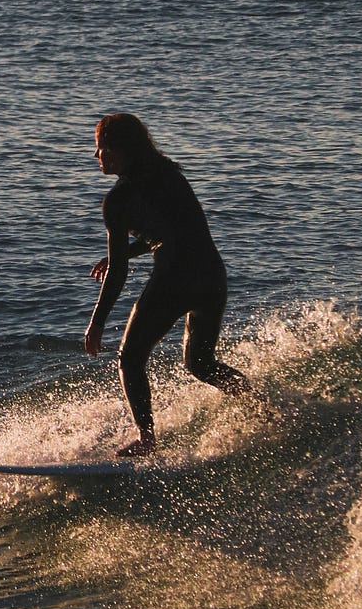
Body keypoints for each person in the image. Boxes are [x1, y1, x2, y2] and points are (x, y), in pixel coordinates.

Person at [84, 112, 248, 457]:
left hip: (175, 279)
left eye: (101, 149)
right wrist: (128, 251)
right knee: (200, 364)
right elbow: (172, 231)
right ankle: (263, 407)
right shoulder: (169, 173)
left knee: (129, 359)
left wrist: (97, 322)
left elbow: (117, 273)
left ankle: (147, 440)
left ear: (120, 150)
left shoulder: (117, 200)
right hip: (212, 277)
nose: (96, 156)